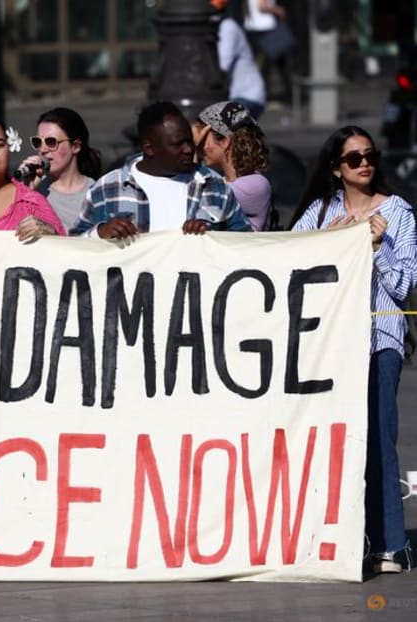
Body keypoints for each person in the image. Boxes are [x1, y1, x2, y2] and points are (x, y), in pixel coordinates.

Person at [291, 126, 417, 574]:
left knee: (379, 438)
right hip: (328, 344)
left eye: (369, 155)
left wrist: (377, 247)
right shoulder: (321, 211)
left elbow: (404, 285)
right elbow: (290, 259)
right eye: (353, 158)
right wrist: (329, 242)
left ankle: (392, 542)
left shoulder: (398, 213)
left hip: (379, 339)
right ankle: (341, 538)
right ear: (335, 168)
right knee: (332, 440)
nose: (365, 163)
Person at [69, 101, 251, 238]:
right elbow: (73, 248)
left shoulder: (214, 186)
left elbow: (246, 241)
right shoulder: (107, 188)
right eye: (178, 144)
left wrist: (212, 237)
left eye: (189, 141)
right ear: (149, 148)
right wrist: (100, 233)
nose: (188, 149)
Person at [15, 107, 102, 233]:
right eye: (38, 142)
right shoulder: (33, 188)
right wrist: (25, 191)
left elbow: (96, 246)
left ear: (76, 147)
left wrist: (55, 235)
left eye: (51, 142)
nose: (43, 149)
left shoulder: (96, 193)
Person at [193, 100, 272, 230]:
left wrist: (193, 150)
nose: (201, 147)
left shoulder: (256, 185)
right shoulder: (221, 181)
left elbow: (199, 197)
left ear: (224, 141)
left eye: (203, 140)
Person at [211, 0, 266, 118]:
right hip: (236, 97)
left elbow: (222, 65)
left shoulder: (228, 28)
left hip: (248, 97)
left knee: (217, 125)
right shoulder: (221, 28)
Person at [243, 0, 294, 105]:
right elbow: (262, 6)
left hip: (254, 28)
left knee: (262, 65)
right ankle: (288, 95)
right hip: (265, 29)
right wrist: (279, 10)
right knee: (278, 64)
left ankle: (260, 93)